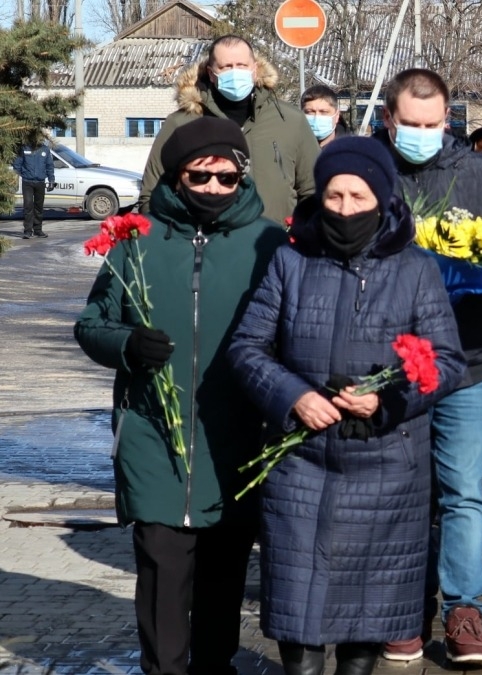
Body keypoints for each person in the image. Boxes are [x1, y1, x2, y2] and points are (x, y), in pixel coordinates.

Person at [228, 136, 466, 675]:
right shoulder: (291, 261)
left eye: (358, 198)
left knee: (364, 626)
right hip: (301, 464)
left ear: (382, 199)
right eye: (334, 197)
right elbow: (246, 347)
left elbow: (447, 362)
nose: (344, 209)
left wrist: (387, 400)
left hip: (386, 469)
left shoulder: (415, 268)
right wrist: (295, 397)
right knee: (299, 617)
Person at [74, 116, 289, 675]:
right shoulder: (135, 239)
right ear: (176, 177)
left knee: (223, 570)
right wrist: (126, 344)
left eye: (226, 179)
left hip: (234, 433)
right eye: (200, 177)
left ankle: (215, 664)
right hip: (153, 432)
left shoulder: (269, 241)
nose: (214, 189)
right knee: (163, 571)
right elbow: (91, 323)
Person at [370, 67, 482, 665]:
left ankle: (463, 611)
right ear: (388, 120)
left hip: (468, 357)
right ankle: (402, 610)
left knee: (462, 490)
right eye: (411, 124)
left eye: (434, 124)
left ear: (448, 119)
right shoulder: (363, 169)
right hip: (384, 360)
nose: (424, 134)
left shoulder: (481, 175)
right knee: (397, 491)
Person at [139, 34, 319, 224]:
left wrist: (300, 238)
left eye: (242, 65)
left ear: (255, 69)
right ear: (210, 73)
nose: (235, 73)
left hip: (276, 245)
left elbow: (314, 191)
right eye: (226, 67)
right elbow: (151, 196)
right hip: (202, 247)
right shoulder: (181, 124)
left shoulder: (290, 120)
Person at [13, 140, 55, 239]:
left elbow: (50, 166)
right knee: (28, 206)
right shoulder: (24, 148)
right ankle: (27, 231)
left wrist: (51, 180)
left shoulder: (45, 149)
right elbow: (17, 165)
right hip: (27, 182)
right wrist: (15, 179)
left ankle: (38, 230)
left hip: (40, 182)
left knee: (39, 207)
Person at [301, 84, 350, 148]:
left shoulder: (351, 152)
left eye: (324, 112)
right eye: (310, 112)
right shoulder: (290, 149)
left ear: (337, 116)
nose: (316, 118)